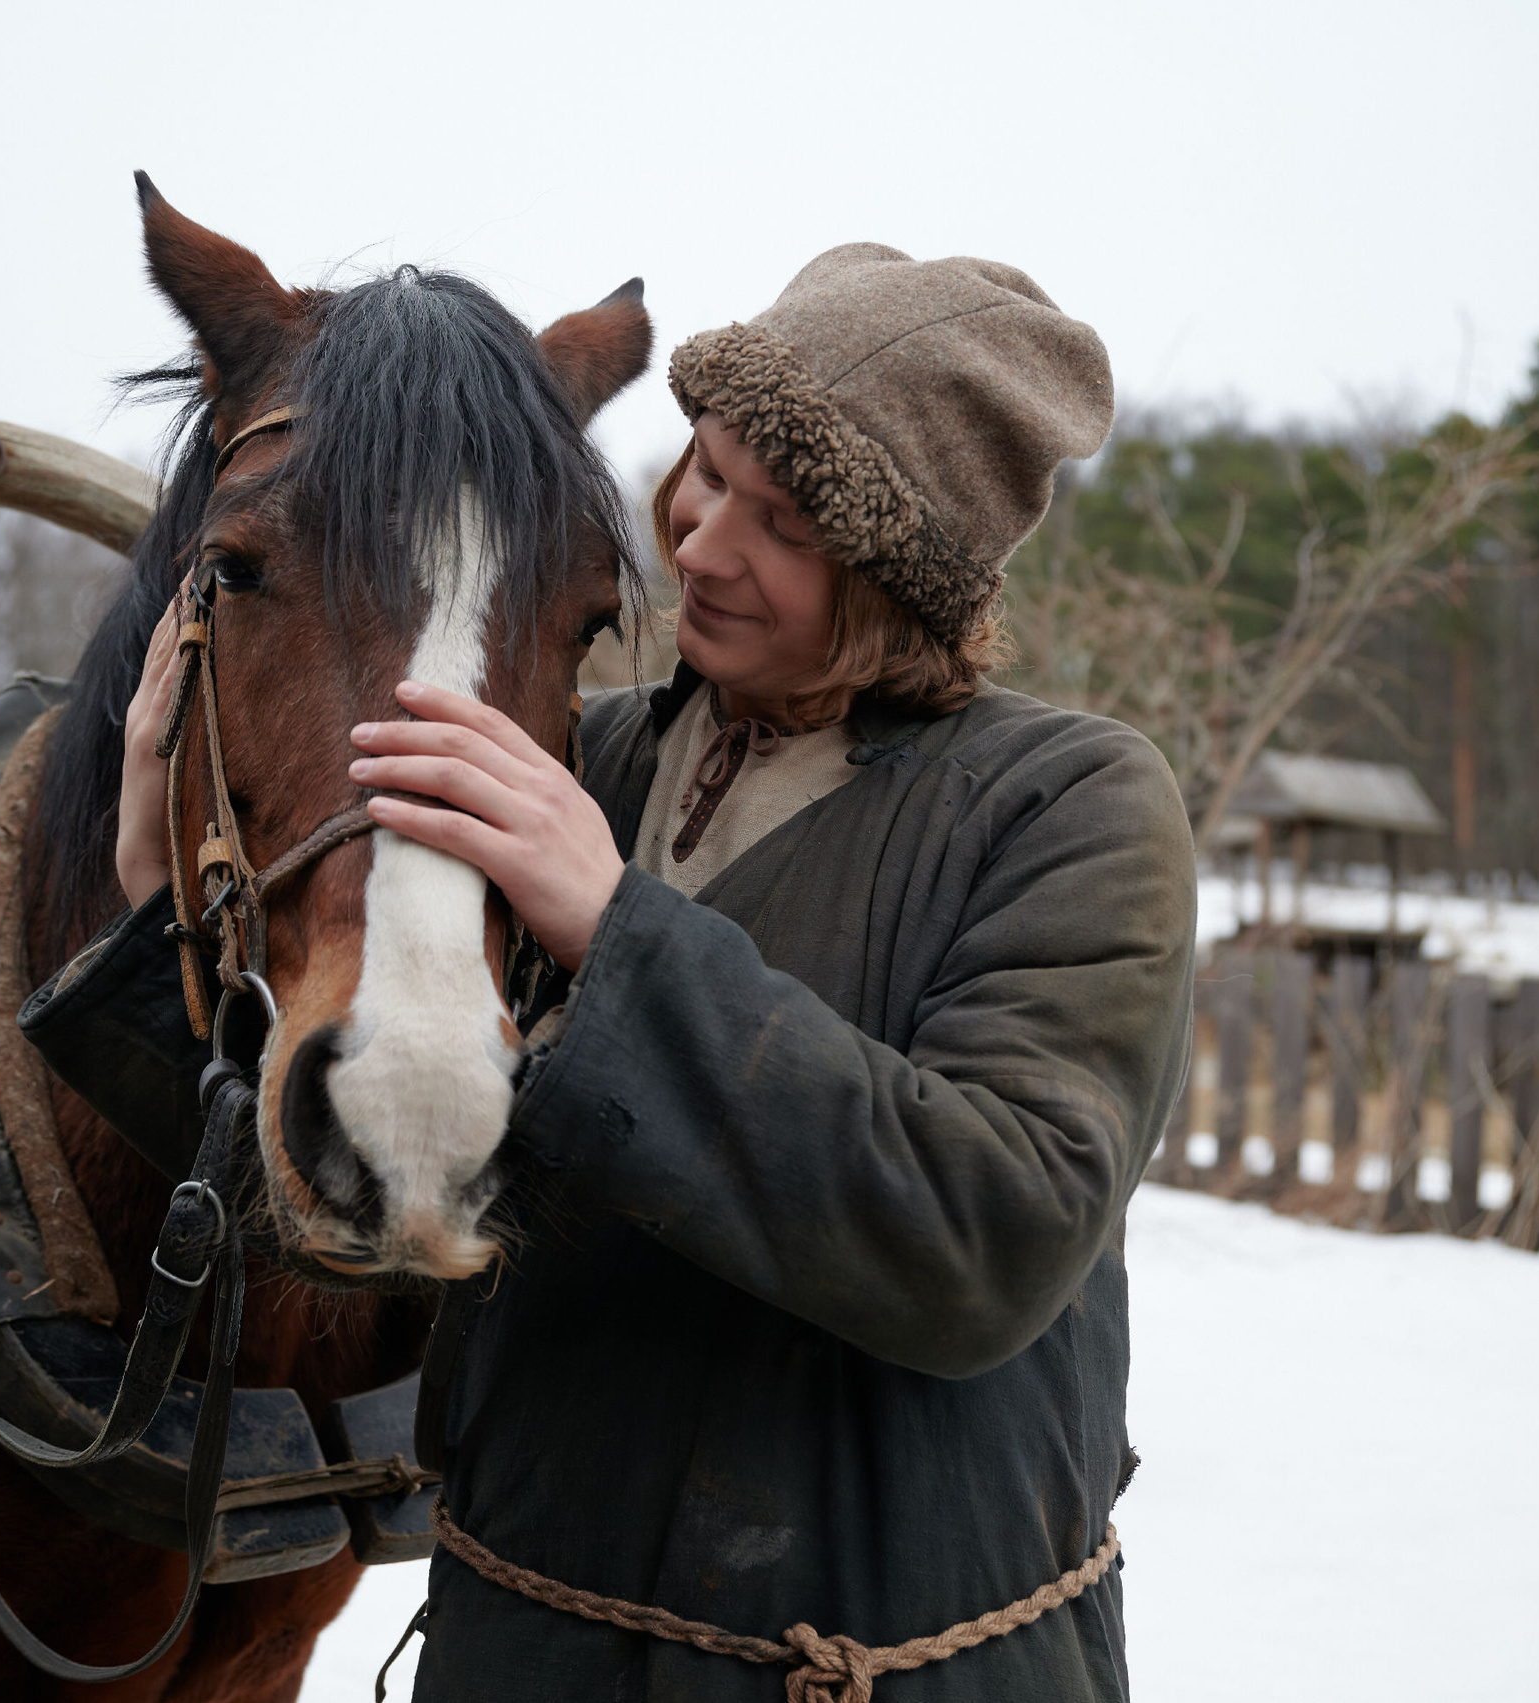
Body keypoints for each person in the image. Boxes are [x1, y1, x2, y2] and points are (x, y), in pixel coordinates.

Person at [84, 244, 1196, 1699]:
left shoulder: (1074, 808)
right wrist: (166, 911)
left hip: (875, 1679)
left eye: (784, 521)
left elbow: (991, 1233)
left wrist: (615, 927)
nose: (700, 543)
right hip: (522, 1655)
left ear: (900, 576)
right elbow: (373, 1181)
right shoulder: (582, 763)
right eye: (706, 472)